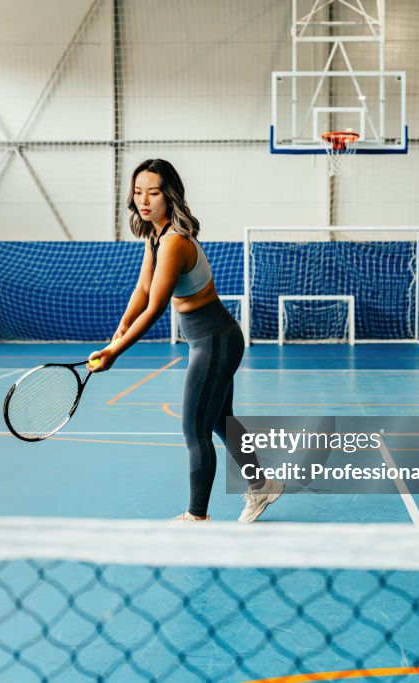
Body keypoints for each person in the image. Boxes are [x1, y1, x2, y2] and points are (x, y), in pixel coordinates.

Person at [88, 159, 284, 523]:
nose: (144, 200)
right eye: (137, 191)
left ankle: (197, 519)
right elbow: (143, 289)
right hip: (213, 338)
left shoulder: (175, 242)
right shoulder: (155, 235)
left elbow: (157, 307)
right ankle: (262, 486)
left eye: (154, 192)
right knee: (221, 422)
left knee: (195, 429)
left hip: (214, 340)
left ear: (170, 194)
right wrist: (121, 325)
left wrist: (116, 351)